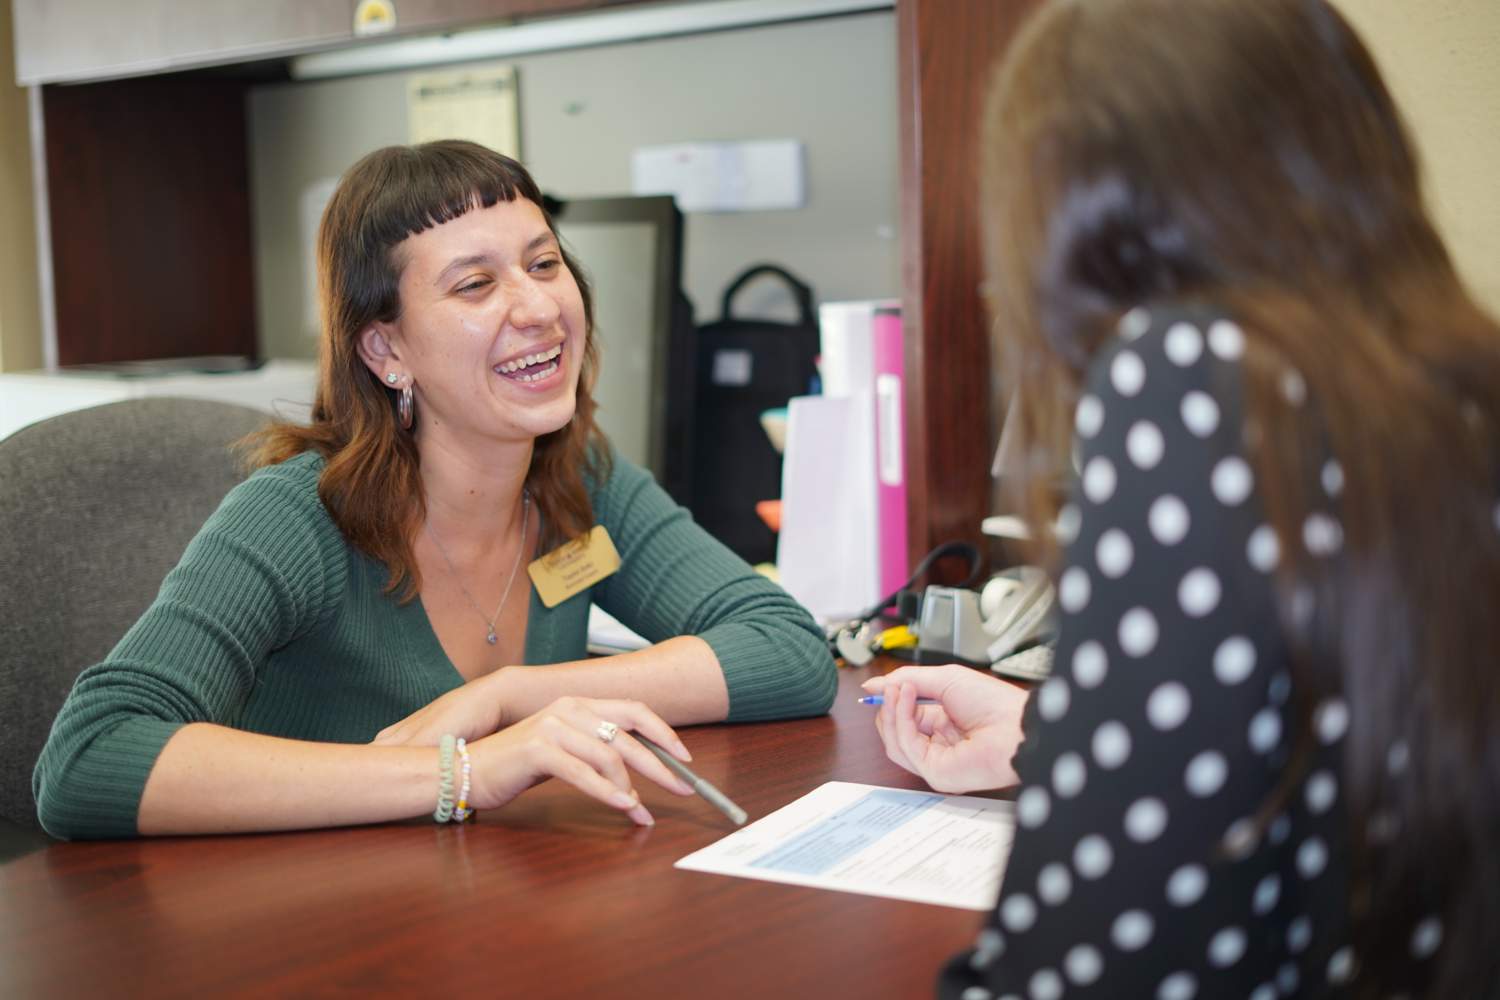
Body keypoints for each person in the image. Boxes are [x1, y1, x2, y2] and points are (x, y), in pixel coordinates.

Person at [866, 0, 1500, 995]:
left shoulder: (1197, 377)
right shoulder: (1456, 380)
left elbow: (1090, 967)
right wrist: (1052, 734)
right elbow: (1346, 721)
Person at [34, 140, 836, 840]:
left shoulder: (577, 479)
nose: (537, 307)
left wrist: (512, 696)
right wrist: (463, 774)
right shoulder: (296, 518)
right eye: (474, 285)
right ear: (386, 350)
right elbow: (90, 757)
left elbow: (790, 651)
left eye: (544, 263)